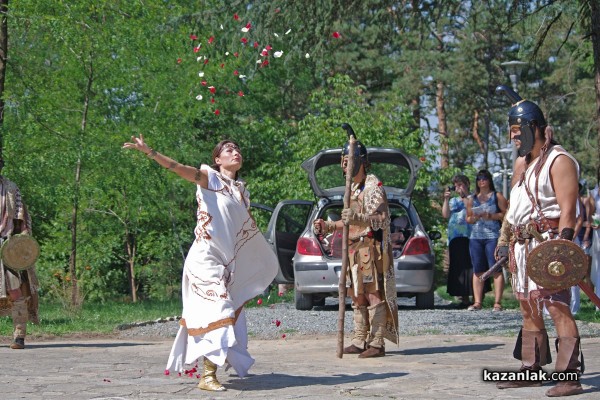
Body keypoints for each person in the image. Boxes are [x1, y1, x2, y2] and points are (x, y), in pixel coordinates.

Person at [123, 135, 278, 392]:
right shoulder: (210, 178)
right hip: (204, 259)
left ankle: (213, 369)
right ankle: (207, 376)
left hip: (225, 264)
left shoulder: (241, 191)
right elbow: (178, 168)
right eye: (228, 149)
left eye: (237, 148)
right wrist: (151, 152)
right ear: (217, 160)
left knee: (226, 313)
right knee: (219, 309)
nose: (235, 152)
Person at [495, 85, 583, 396]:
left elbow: (569, 213)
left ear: (535, 128)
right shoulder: (522, 164)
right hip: (522, 248)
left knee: (557, 307)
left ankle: (569, 375)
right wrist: (504, 240)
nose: (513, 138)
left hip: (547, 244)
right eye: (511, 132)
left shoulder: (559, 161)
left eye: (518, 131)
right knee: (527, 308)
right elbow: (512, 212)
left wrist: (560, 251)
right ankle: (531, 369)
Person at [313, 138, 398, 358]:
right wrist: (329, 225)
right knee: (356, 295)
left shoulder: (373, 186)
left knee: (372, 294)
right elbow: (347, 221)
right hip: (352, 250)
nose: (344, 165)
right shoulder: (351, 188)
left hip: (369, 248)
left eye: (349, 160)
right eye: (343, 161)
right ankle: (360, 339)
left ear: (360, 161)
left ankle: (377, 343)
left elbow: (382, 218)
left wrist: (359, 217)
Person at [0, 159, 40, 350]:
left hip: (7, 245)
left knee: (15, 290)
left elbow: (20, 215)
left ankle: (19, 335)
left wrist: (23, 238)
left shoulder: (10, 188)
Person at [465, 169, 507, 311]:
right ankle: (477, 301)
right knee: (478, 269)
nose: (481, 181)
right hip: (476, 237)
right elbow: (468, 218)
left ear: (489, 180)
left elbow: (506, 215)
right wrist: (475, 217)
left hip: (493, 236)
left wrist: (491, 215)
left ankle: (497, 302)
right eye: (479, 179)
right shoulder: (472, 199)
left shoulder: (497, 196)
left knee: (496, 268)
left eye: (484, 178)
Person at [442, 174, 474, 307]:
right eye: (456, 185)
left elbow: (470, 209)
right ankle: (462, 297)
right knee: (458, 268)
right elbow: (445, 214)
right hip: (455, 237)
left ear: (467, 184)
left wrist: (465, 195)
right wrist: (446, 198)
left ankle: (476, 297)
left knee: (471, 267)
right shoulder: (453, 201)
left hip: (470, 236)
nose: (458, 188)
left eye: (460, 185)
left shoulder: (473, 198)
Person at [588, 166, 600, 306]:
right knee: (596, 266)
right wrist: (593, 222)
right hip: (598, 233)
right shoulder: (593, 194)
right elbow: (590, 214)